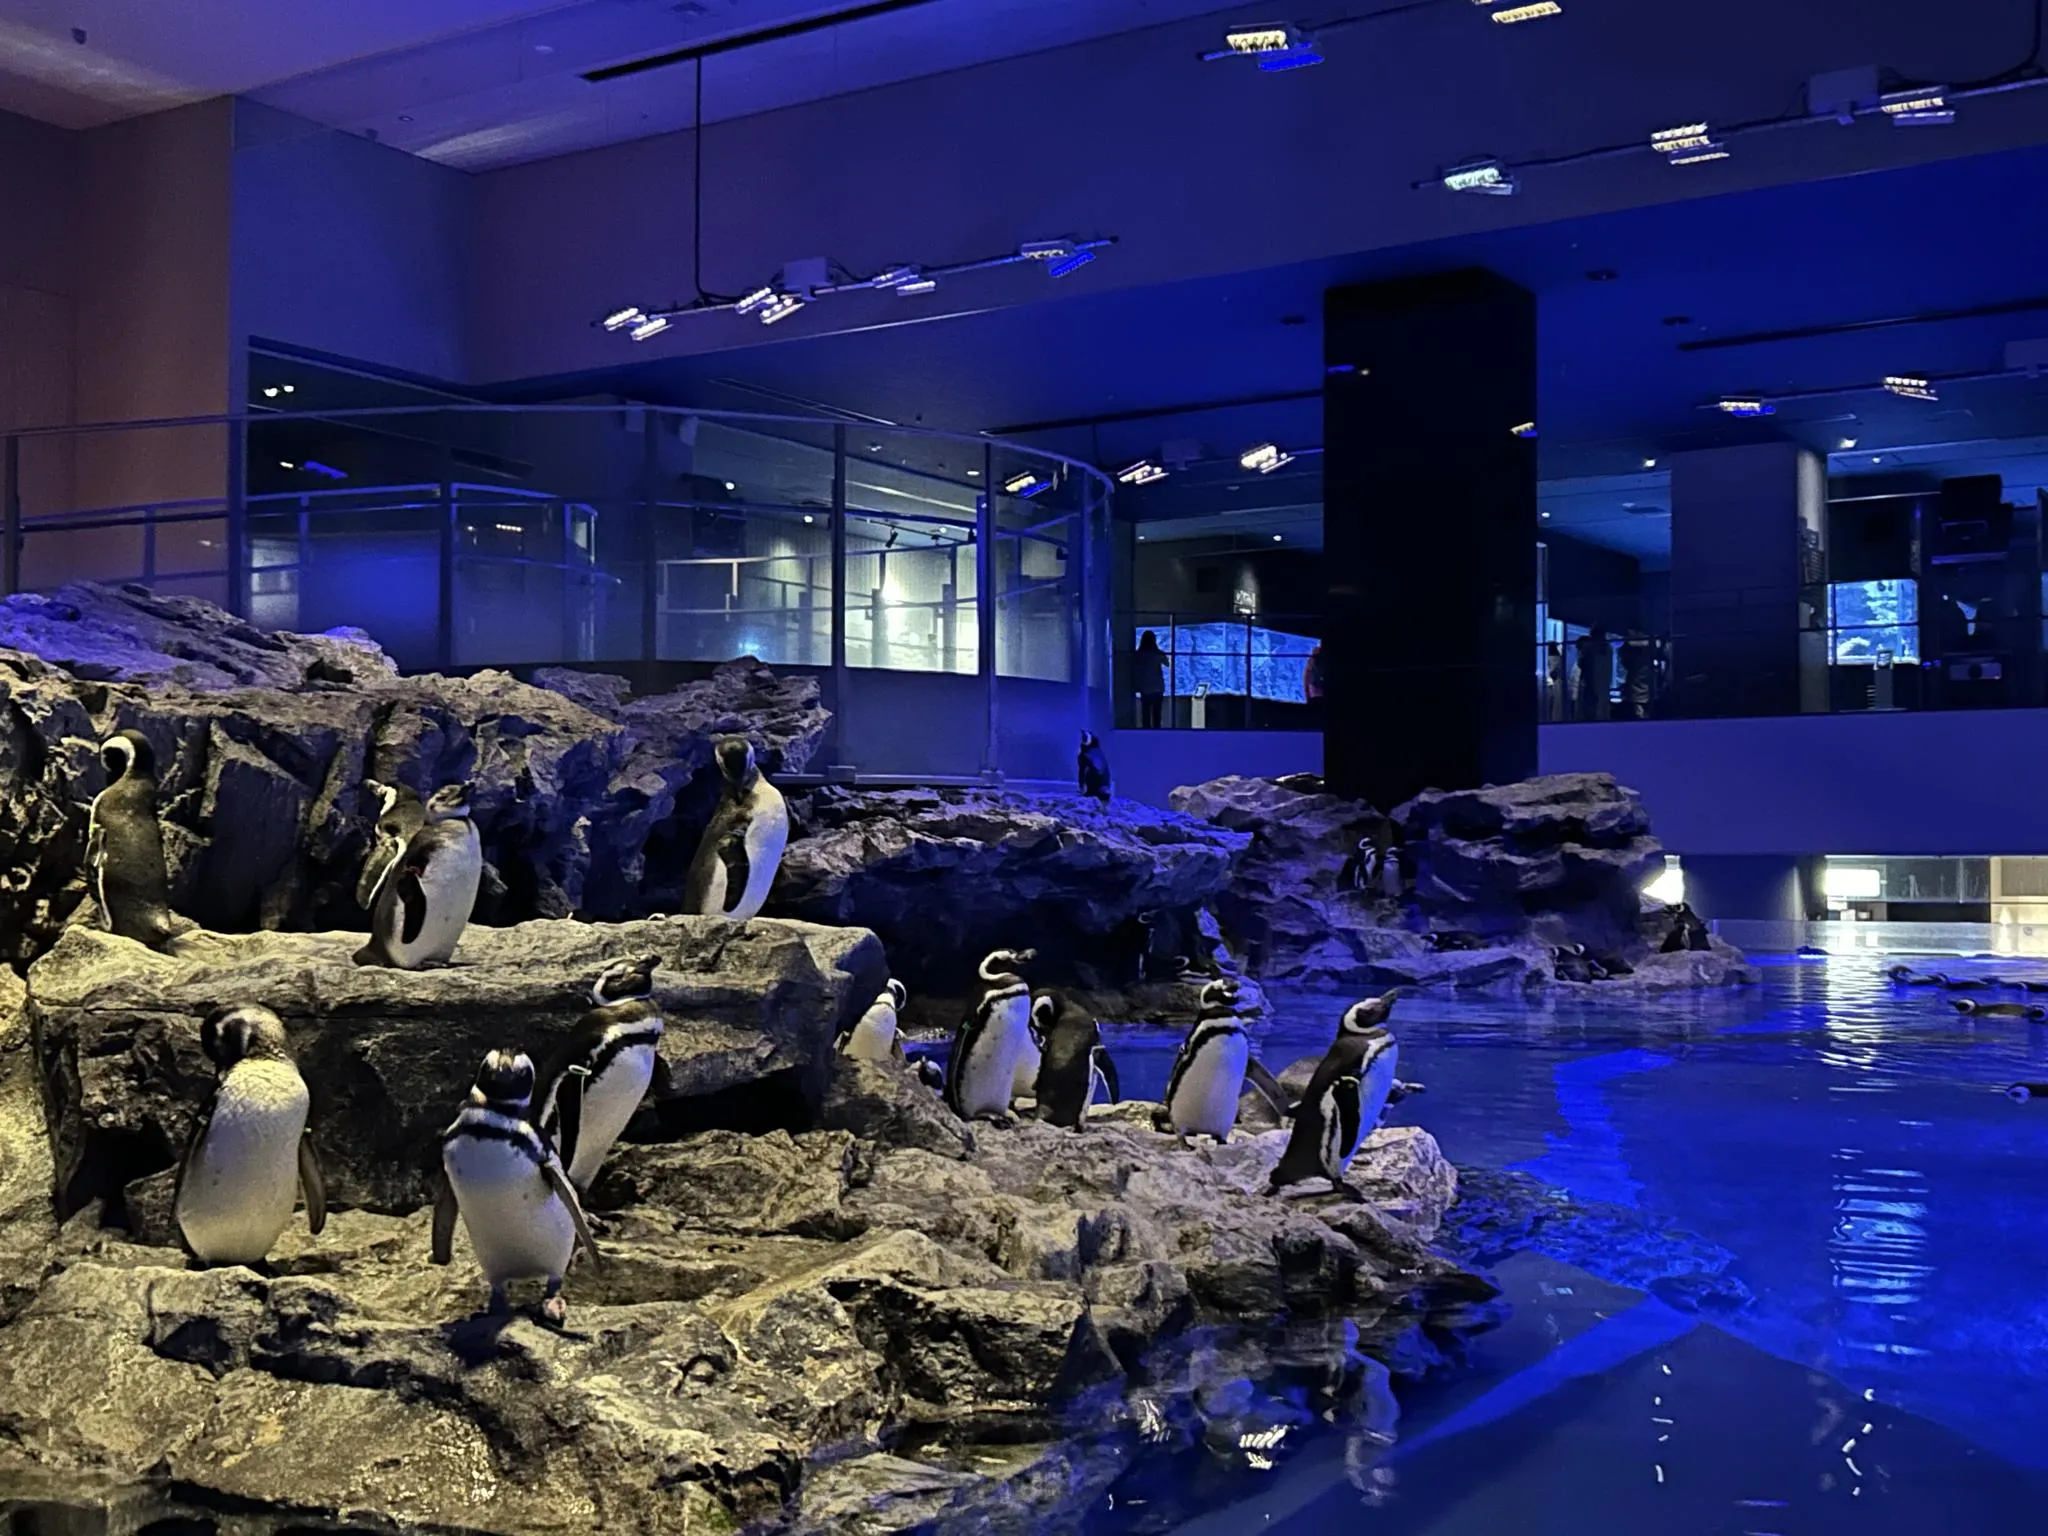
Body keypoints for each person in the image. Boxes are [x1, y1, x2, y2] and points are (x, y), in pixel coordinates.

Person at [1576, 626, 1613, 721]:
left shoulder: (1590, 649)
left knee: (1588, 714)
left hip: (1590, 686)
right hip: (1603, 687)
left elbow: (1582, 664)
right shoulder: (1608, 649)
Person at [1134, 630, 1168, 729]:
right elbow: (1167, 663)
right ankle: (1157, 733)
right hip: (1157, 687)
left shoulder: (1139, 654)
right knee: (1157, 714)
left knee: (1146, 715)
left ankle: (1146, 733)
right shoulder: (1157, 654)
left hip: (1145, 687)